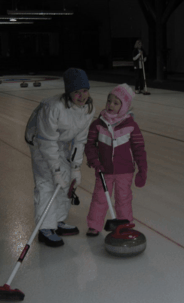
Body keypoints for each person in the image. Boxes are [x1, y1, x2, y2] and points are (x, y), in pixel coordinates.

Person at [25, 68, 96, 247]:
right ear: (68, 92)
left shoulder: (88, 108)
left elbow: (80, 140)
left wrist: (76, 167)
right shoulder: (53, 108)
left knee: (66, 182)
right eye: (76, 92)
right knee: (47, 182)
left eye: (85, 91)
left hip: (62, 140)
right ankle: (45, 228)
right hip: (40, 141)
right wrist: (55, 170)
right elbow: (47, 142)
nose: (82, 96)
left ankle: (58, 221)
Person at [84, 83, 148, 236]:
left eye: (116, 102)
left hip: (124, 171)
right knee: (99, 198)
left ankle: (124, 224)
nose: (111, 105)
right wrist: (94, 161)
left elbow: (139, 149)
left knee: (123, 199)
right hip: (103, 170)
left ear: (124, 106)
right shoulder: (98, 125)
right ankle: (94, 225)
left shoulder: (131, 126)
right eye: (109, 101)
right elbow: (90, 145)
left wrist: (142, 169)